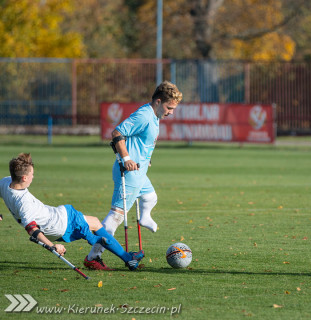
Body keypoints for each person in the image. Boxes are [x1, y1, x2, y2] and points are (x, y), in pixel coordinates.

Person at [84, 80, 183, 270]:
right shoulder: (144, 115)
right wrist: (127, 158)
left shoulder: (154, 116)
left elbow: (141, 142)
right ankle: (93, 256)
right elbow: (117, 132)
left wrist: (145, 159)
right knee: (116, 216)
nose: (171, 112)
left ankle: (145, 217)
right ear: (158, 101)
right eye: (169, 107)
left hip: (140, 171)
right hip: (129, 173)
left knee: (150, 196)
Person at [0, 153, 145, 271]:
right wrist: (52, 246)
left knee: (94, 222)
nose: (33, 177)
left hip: (57, 216)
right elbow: (32, 229)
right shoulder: (23, 202)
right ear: (24, 178)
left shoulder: (6, 182)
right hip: (60, 223)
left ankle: (122, 257)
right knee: (92, 228)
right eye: (32, 174)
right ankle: (123, 258)